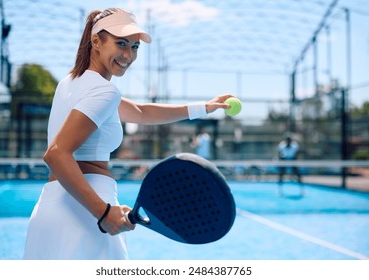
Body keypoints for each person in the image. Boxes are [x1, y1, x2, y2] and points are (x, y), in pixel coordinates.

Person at [23, 8, 233, 260]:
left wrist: (204, 107)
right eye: (121, 43)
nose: (128, 54)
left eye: (134, 47)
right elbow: (56, 154)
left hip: (51, 208)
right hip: (85, 214)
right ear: (96, 41)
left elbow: (142, 112)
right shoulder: (103, 91)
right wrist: (102, 212)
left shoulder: (69, 83)